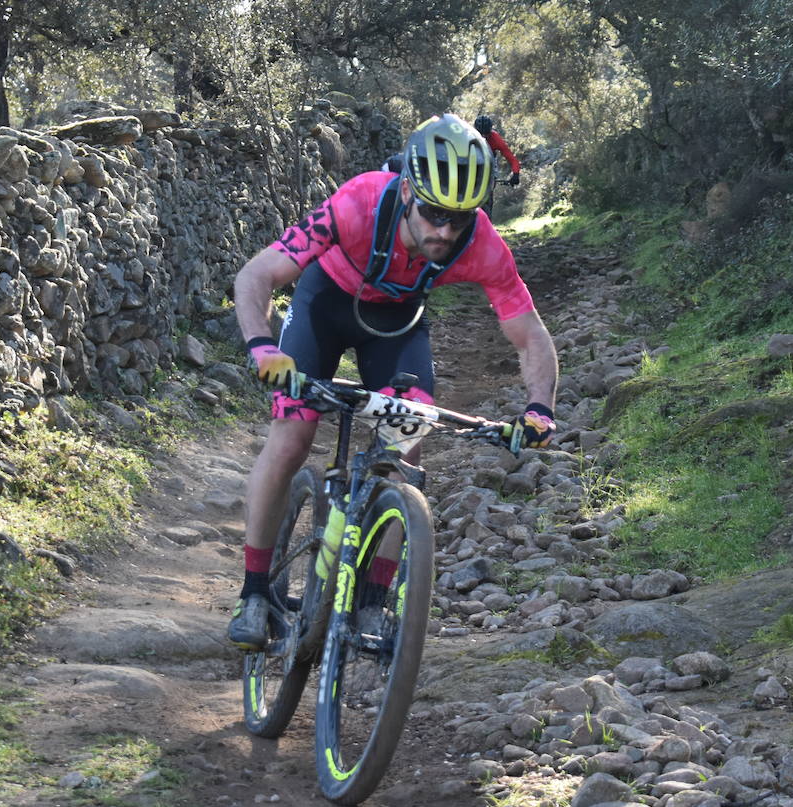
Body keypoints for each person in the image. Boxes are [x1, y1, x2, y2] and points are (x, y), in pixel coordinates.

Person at [226, 113, 560, 650]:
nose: (444, 232)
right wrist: (262, 345)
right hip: (323, 306)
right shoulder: (359, 202)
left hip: (396, 325)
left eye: (458, 218)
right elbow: (257, 274)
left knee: (406, 455)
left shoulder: (481, 244)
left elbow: (530, 335)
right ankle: (254, 591)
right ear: (408, 190)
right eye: (432, 213)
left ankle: (371, 606)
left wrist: (540, 407)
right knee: (291, 440)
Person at [473, 115, 521, 187]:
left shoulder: (495, 138)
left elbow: (512, 159)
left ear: (490, 131)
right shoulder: (468, 136)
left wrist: (516, 174)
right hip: (473, 157)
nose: (483, 137)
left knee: (490, 183)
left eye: (486, 134)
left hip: (490, 159)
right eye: (480, 134)